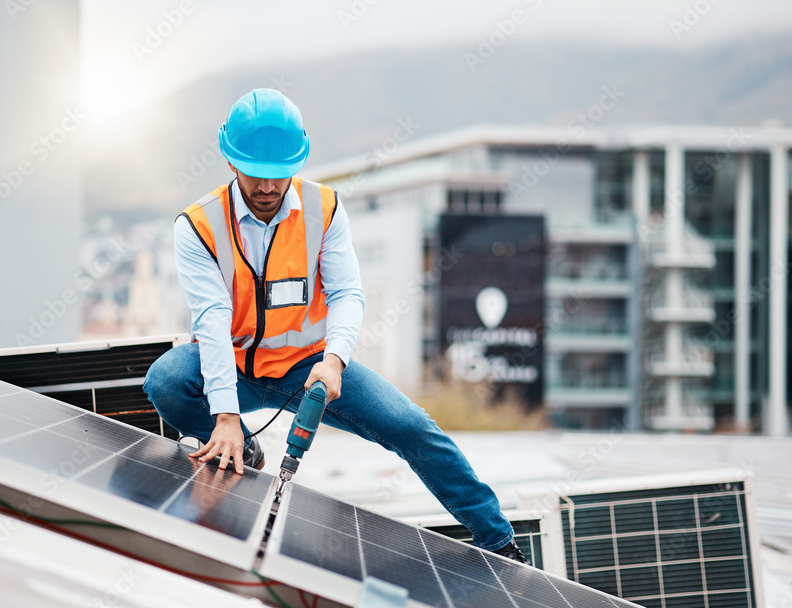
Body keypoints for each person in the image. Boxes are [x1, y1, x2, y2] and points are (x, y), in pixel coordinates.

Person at [143, 89, 525, 562]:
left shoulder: (324, 209)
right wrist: (224, 417)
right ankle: (242, 442)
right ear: (231, 163)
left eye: (278, 175)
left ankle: (499, 540)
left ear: (296, 165)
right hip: (234, 366)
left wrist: (334, 359)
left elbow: (347, 293)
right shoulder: (198, 226)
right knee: (164, 380)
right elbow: (213, 321)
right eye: (255, 175)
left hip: (309, 368)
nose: (267, 187)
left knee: (412, 427)